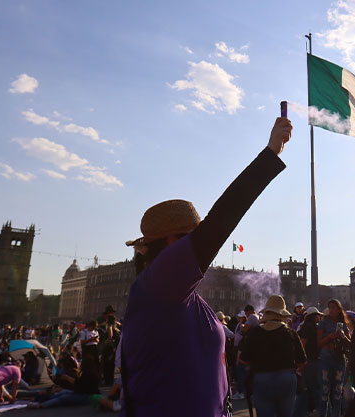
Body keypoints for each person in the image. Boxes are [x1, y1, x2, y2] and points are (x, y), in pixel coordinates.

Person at [121, 116, 292, 416]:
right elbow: (219, 222)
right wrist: (269, 154)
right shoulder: (160, 283)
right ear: (171, 243)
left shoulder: (179, 294)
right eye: (191, 236)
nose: (199, 245)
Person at [240, 295, 307, 417]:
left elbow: (244, 360)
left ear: (267, 313)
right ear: (283, 315)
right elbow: (302, 362)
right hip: (286, 379)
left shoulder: (255, 333)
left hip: (262, 378)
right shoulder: (291, 333)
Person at [316, 299, 352, 417]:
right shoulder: (323, 323)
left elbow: (350, 344)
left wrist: (343, 336)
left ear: (339, 310)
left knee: (337, 392)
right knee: (324, 391)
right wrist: (331, 336)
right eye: (329, 307)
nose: (331, 310)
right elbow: (319, 343)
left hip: (340, 359)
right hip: (326, 358)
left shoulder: (343, 324)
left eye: (333, 308)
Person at [294, 306, 324, 417]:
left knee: (306, 388)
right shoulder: (309, 327)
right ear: (313, 316)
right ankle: (321, 410)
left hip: (309, 360)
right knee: (315, 387)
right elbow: (303, 343)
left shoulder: (307, 326)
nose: (319, 317)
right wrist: (301, 360)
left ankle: (299, 412)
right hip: (310, 360)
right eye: (318, 315)